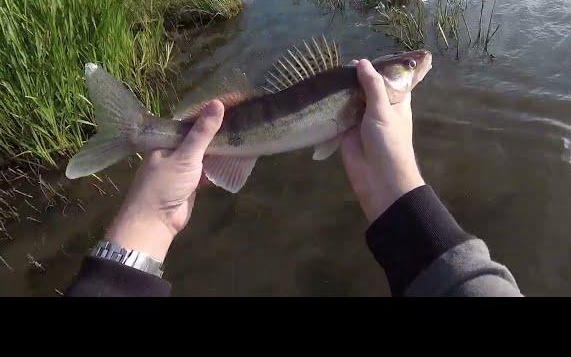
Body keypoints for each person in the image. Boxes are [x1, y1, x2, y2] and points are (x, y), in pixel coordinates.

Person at [65, 59, 522, 297]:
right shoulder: (361, 101)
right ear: (377, 82)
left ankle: (139, 134)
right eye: (404, 66)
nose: (416, 64)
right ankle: (135, 130)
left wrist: (149, 218)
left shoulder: (357, 104)